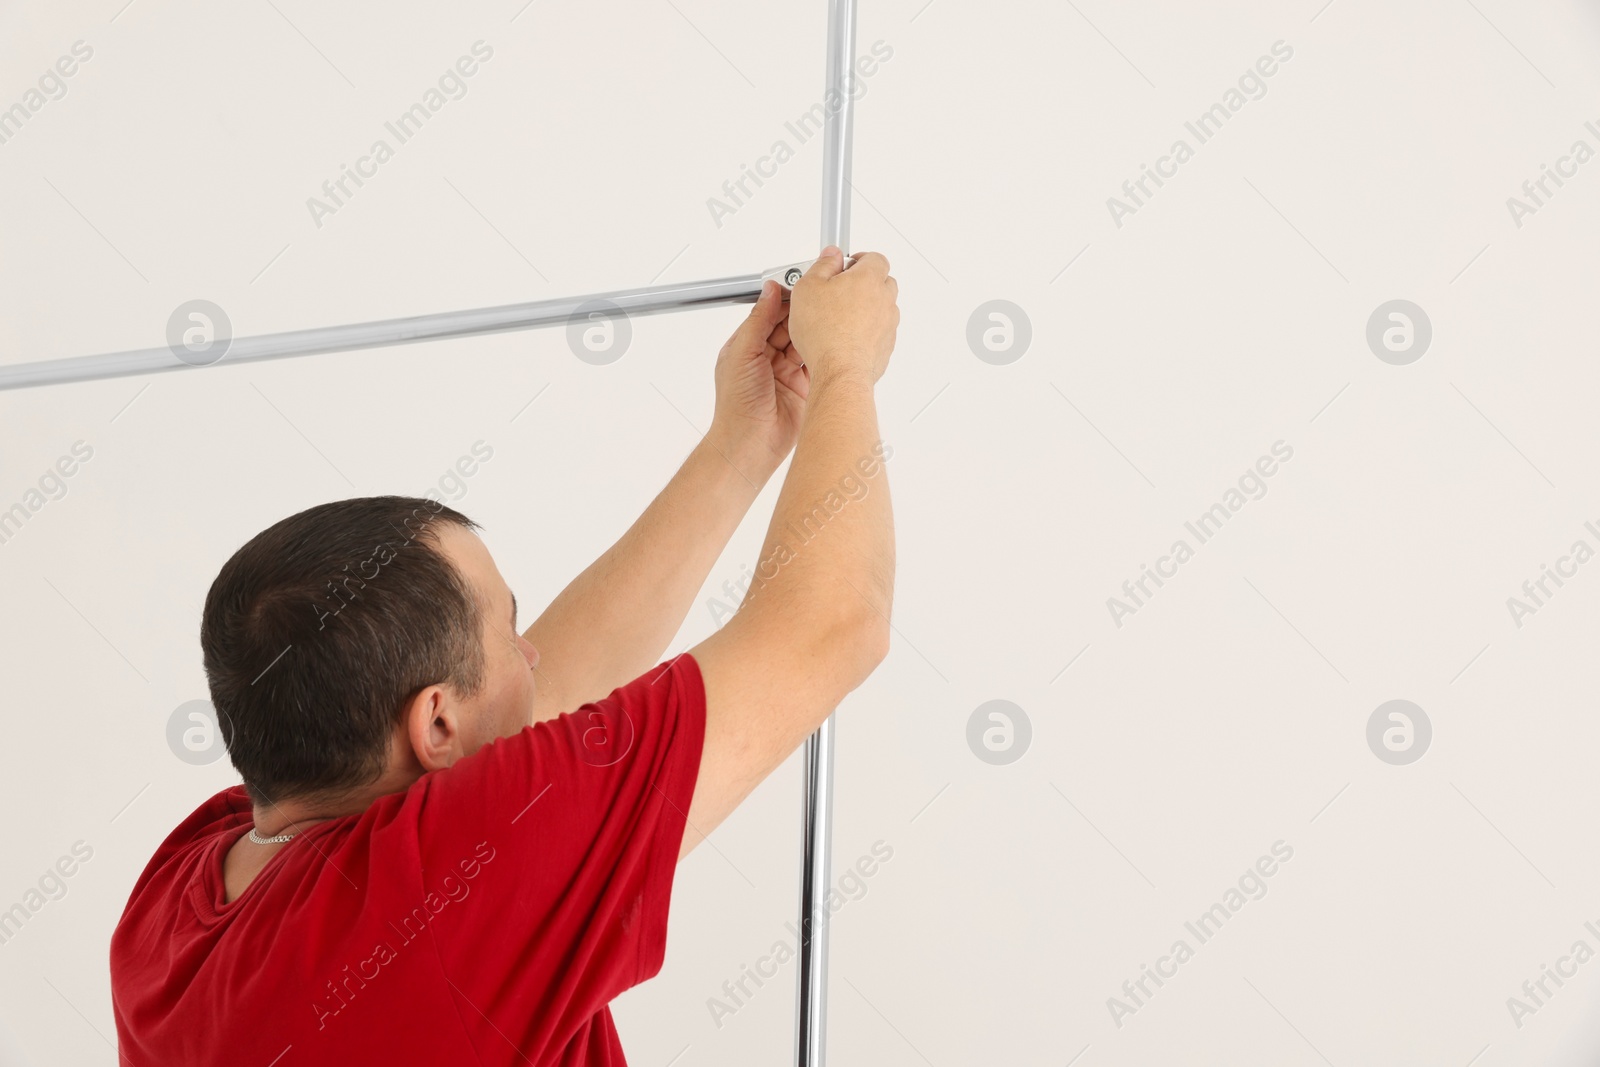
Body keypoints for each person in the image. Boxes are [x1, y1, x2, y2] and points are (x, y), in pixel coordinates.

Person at [108, 246, 899, 1066]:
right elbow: (834, 624)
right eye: (510, 632)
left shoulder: (175, 900)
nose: (532, 656)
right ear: (435, 720)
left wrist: (745, 445)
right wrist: (848, 370)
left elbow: (534, 708)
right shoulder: (439, 895)